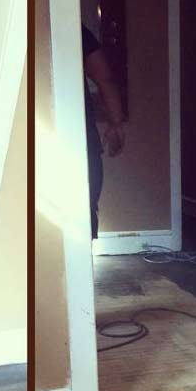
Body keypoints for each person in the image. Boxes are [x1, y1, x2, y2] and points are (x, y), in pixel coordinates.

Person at [81, 24, 125, 239]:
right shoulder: (75, 28)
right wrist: (116, 123)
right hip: (80, 133)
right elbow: (104, 78)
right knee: (85, 203)